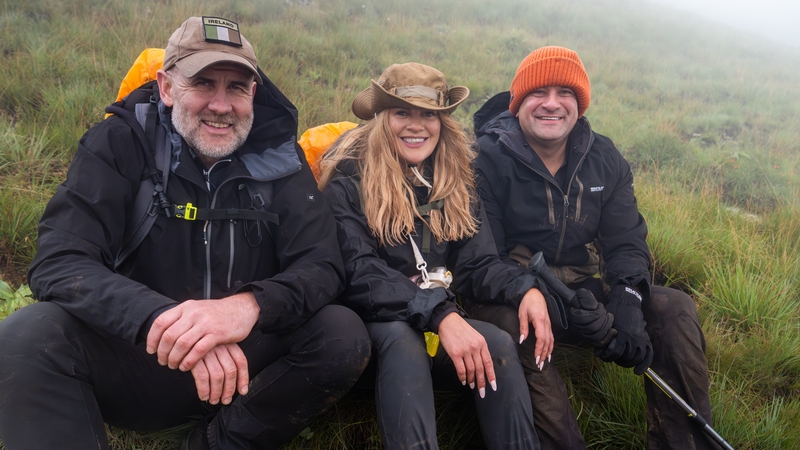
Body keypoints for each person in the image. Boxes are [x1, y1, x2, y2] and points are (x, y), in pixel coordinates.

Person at [0, 16, 370, 450]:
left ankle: (215, 442)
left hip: (245, 369)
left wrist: (244, 309)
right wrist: (168, 323)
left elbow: (322, 265)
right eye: (203, 83)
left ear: (253, 93)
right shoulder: (119, 142)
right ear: (167, 87)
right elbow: (60, 262)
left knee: (342, 332)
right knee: (29, 334)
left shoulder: (282, 161)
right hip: (142, 361)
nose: (220, 104)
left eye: (236, 87)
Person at [466, 45, 718, 449]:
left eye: (565, 93)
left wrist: (627, 301)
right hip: (513, 296)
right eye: (538, 92)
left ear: (579, 105)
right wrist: (527, 290)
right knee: (521, 329)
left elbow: (627, 241)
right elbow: (478, 261)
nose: (552, 104)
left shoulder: (604, 157)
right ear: (517, 103)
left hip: (584, 290)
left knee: (675, 308)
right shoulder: (485, 159)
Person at [318, 62, 550, 450]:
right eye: (401, 113)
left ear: (443, 122)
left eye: (429, 114)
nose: (416, 125)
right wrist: (441, 313)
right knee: (402, 338)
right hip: (368, 332)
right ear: (380, 118)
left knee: (497, 343)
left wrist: (524, 288)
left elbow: (477, 264)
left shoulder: (455, 181)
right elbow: (358, 273)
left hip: (433, 318)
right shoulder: (346, 181)